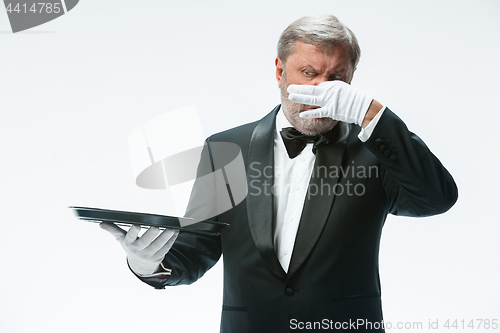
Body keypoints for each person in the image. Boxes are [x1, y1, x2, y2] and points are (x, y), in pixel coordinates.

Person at [100, 14, 458, 332]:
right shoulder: (225, 150)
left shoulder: (375, 152)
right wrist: (147, 263)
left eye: (337, 78)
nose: (322, 91)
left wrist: (372, 114)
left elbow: (436, 199)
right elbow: (196, 249)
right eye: (308, 73)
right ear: (279, 71)